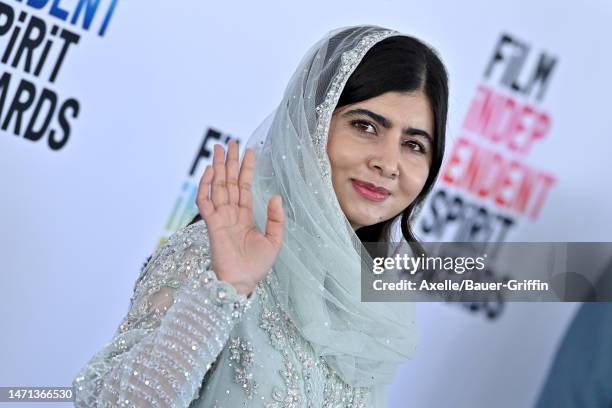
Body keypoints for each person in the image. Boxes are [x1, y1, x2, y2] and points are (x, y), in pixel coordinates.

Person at [73, 24, 449, 407]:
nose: (388, 163)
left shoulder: (362, 305)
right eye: (365, 126)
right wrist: (224, 291)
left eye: (413, 145)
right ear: (311, 125)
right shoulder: (215, 254)